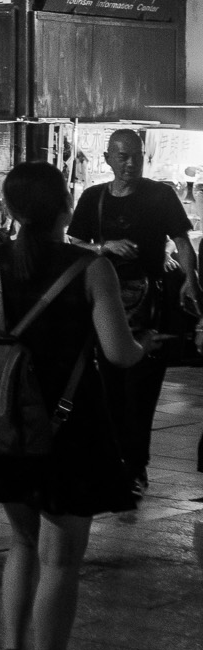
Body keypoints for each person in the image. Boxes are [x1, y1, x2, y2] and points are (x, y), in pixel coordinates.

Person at [0, 161, 160, 650]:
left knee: (22, 542)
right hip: (68, 426)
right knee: (62, 558)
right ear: (64, 208)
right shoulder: (92, 267)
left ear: (11, 208)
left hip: (6, 421)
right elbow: (118, 351)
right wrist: (148, 342)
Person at [66, 128, 199, 492]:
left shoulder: (160, 195)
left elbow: (182, 242)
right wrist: (105, 247)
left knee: (141, 392)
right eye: (122, 156)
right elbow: (76, 245)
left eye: (136, 155)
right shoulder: (93, 199)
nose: (130, 163)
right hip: (105, 307)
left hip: (150, 307)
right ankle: (114, 462)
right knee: (108, 390)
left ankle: (135, 468)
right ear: (107, 158)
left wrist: (191, 280)